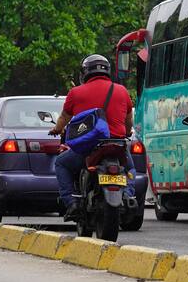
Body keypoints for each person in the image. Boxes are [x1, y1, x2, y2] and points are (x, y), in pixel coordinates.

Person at [48, 54, 134, 219]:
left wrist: (57, 129)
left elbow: (64, 118)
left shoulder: (76, 92)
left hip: (88, 147)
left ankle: (71, 203)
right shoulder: (122, 90)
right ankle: (129, 196)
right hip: (116, 145)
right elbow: (128, 120)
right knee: (130, 168)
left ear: (85, 73)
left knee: (61, 163)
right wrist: (128, 132)